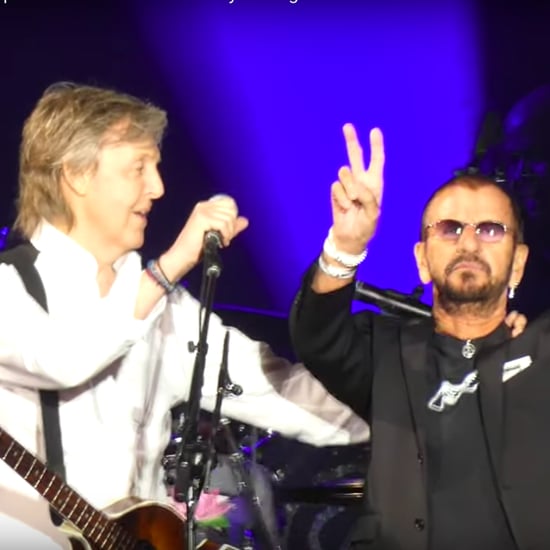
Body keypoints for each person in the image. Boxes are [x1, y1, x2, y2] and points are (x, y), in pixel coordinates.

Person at [0, 82, 371, 549]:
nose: (158, 188)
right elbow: (64, 360)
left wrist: (411, 411)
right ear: (75, 174)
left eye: (155, 167)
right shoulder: (8, 290)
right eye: (138, 168)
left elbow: (280, 393)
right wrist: (173, 263)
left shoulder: (166, 308)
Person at [289, 122, 548, 550]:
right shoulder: (387, 353)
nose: (469, 242)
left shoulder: (541, 349)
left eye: (490, 229)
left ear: (518, 264)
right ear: (422, 261)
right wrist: (346, 245)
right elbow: (318, 336)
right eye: (449, 228)